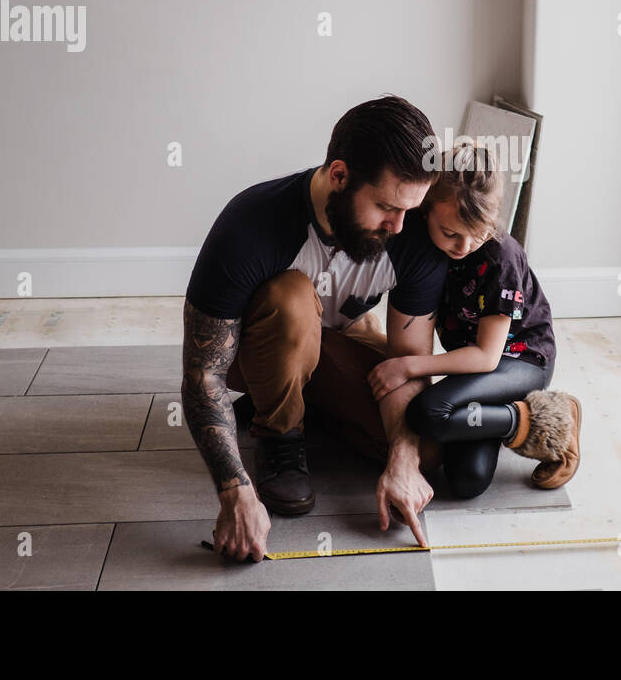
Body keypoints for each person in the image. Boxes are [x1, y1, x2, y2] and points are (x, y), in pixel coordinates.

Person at [180, 95, 450, 563]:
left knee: (427, 449)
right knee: (293, 299)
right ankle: (280, 433)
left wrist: (403, 462)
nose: (400, 225)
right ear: (340, 176)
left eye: (410, 209)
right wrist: (235, 492)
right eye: (386, 206)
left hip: (339, 341)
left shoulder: (409, 232)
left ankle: (311, 404)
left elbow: (406, 362)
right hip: (263, 346)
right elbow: (205, 374)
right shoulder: (251, 224)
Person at [366, 144, 582, 499]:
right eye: (450, 232)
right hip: (474, 368)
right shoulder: (419, 242)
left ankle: (549, 419)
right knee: (468, 482)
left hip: (519, 361)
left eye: (478, 232)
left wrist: (407, 366)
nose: (463, 245)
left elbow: (486, 357)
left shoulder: (502, 258)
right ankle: (502, 415)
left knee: (426, 412)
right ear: (426, 210)